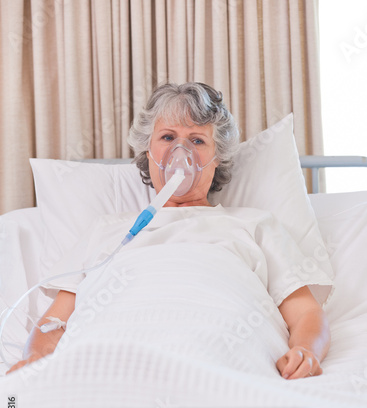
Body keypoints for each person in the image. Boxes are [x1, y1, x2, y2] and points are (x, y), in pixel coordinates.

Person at [6, 82, 330, 379]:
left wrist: (305, 351)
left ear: (218, 158)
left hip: (222, 352)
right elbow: (55, 320)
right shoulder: (109, 230)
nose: (181, 151)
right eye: (168, 137)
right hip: (108, 352)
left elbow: (306, 313)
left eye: (197, 140)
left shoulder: (254, 225)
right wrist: (36, 357)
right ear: (149, 153)